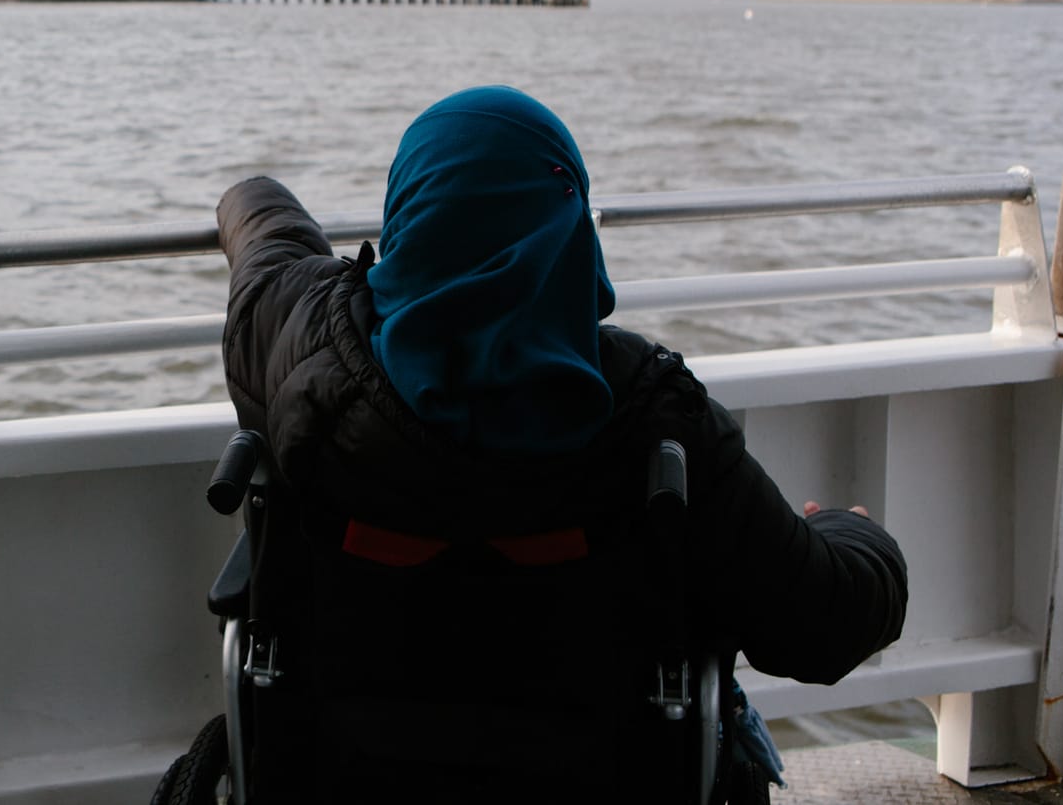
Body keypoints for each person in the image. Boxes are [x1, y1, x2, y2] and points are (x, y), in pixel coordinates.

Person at [215, 86, 908, 801]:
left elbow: (266, 256)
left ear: (407, 219)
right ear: (572, 230)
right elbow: (823, 624)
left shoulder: (304, 349)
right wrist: (854, 535)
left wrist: (253, 192)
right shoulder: (652, 414)